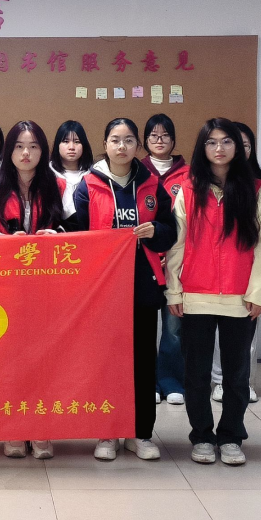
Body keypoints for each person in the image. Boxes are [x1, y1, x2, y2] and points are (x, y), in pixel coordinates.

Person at [164, 119, 261, 466]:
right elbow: (177, 244)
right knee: (195, 374)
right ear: (202, 148)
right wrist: (174, 291)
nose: (219, 148)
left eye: (227, 142)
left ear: (237, 148)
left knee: (236, 375)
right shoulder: (188, 190)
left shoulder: (253, 190)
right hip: (196, 296)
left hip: (240, 298)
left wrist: (258, 292)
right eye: (211, 142)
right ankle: (201, 436)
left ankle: (231, 436)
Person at [66, 118, 176, 462]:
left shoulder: (152, 185)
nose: (122, 146)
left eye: (129, 140)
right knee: (106, 362)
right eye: (115, 140)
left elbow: (171, 231)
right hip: (102, 289)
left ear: (138, 146)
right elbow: (76, 233)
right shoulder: (87, 185)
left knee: (142, 362)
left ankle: (140, 433)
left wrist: (155, 231)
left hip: (143, 285)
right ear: (105, 144)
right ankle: (107, 431)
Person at [0, 121, 71, 461]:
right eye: (19, 146)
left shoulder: (60, 185)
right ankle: (12, 428)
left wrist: (58, 234)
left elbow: (76, 229)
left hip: (49, 289)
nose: (26, 153)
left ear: (44, 150)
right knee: (8, 361)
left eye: (34, 146)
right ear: (8, 150)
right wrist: (3, 242)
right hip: (5, 289)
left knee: (45, 359)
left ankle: (41, 427)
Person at [211, 121, 261, 404]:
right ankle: (218, 381)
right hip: (213, 278)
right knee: (216, 338)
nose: (235, 149)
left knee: (247, 336)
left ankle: (244, 381)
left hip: (249, 275)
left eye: (244, 145)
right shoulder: (203, 184)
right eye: (222, 142)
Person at [143, 114, 190, 407]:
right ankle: (148, 382)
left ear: (173, 139)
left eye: (165, 136)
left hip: (178, 261)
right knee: (145, 327)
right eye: (153, 136)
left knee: (174, 328)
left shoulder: (189, 174)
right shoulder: (137, 172)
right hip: (145, 262)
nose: (159, 141)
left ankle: (171, 381)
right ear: (145, 140)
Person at [50, 120, 93, 195]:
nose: (71, 147)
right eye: (66, 141)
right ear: (57, 145)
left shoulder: (93, 175)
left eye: (77, 142)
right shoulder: (47, 174)